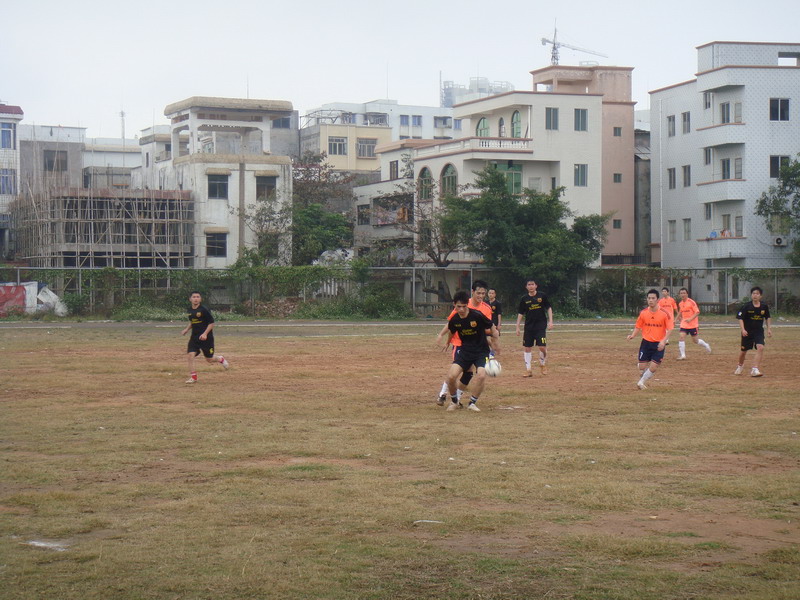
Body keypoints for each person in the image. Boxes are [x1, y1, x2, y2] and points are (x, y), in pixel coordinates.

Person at [436, 290, 500, 412]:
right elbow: (451, 331)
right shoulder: (455, 319)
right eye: (458, 306)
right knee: (451, 377)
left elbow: (491, 325)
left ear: (467, 305)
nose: (461, 309)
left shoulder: (477, 315)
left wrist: (495, 339)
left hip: (481, 351)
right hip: (465, 351)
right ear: (454, 305)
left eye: (464, 306)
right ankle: (454, 401)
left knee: (481, 375)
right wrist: (447, 342)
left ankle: (472, 403)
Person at [627, 289, 672, 390]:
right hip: (646, 343)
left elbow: (669, 328)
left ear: (657, 300)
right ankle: (642, 374)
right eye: (649, 298)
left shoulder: (664, 313)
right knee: (641, 367)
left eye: (653, 298)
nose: (651, 300)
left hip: (658, 344)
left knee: (653, 366)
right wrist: (632, 335)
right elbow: (638, 326)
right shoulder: (643, 313)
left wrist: (663, 341)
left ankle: (641, 382)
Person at [181, 291, 229, 383]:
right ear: (190, 299)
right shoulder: (190, 310)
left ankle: (220, 359)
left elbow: (211, 323)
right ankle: (193, 377)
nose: (196, 299)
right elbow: (192, 321)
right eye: (194, 297)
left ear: (200, 299)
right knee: (190, 355)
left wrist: (205, 334)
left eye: (198, 297)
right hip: (195, 337)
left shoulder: (204, 310)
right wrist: (186, 329)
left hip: (207, 338)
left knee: (209, 359)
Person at [515, 279, 553, 376]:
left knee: (542, 347)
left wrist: (551, 321)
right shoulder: (524, 299)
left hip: (540, 325)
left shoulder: (542, 296)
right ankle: (528, 370)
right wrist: (517, 326)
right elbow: (520, 313)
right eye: (529, 284)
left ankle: (542, 363)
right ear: (526, 287)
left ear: (536, 286)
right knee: (527, 348)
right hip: (529, 326)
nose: (531, 286)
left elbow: (548, 308)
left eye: (532, 284)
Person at [735, 286, 772, 377]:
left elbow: (767, 317)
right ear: (751, 295)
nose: (755, 295)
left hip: (758, 331)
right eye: (753, 293)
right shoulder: (746, 306)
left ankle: (755, 369)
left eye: (757, 294)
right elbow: (740, 318)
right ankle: (740, 366)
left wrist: (769, 329)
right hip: (747, 332)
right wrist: (743, 329)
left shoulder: (764, 306)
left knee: (760, 347)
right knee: (743, 351)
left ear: (760, 296)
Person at [676, 287, 711, 359]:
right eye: (681, 293)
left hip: (693, 324)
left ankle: (706, 345)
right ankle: (683, 355)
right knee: (681, 337)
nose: (682, 294)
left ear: (687, 294)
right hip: (684, 324)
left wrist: (690, 319)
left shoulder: (691, 302)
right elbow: (680, 311)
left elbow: (697, 312)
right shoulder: (680, 303)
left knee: (695, 341)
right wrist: (675, 319)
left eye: (684, 293)